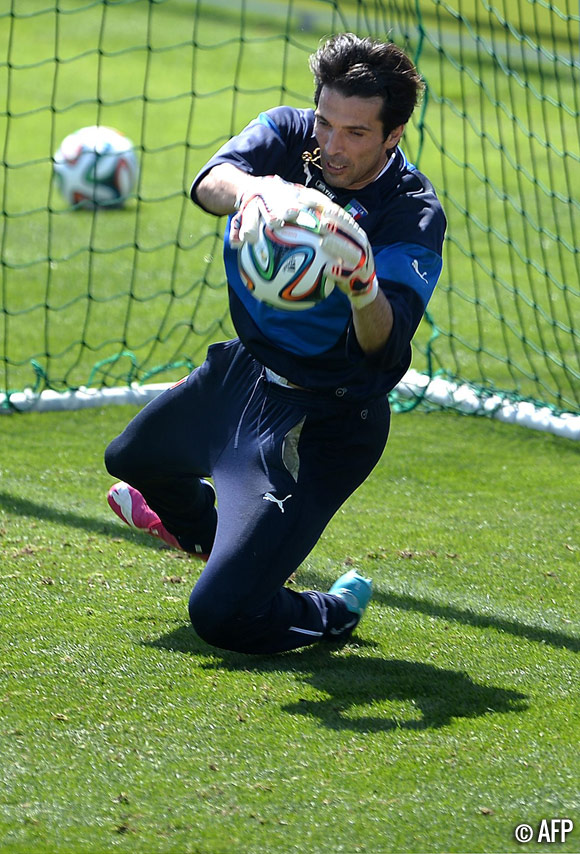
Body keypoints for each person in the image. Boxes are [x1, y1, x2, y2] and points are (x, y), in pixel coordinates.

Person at [104, 33, 446, 655]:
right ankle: (215, 540)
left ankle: (329, 610)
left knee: (220, 617)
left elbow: (384, 345)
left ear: (393, 136)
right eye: (326, 122)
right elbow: (212, 180)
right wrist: (260, 192)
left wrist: (360, 281)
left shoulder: (411, 211)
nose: (331, 146)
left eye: (356, 133)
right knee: (131, 459)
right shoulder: (289, 136)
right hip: (245, 374)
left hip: (327, 420)